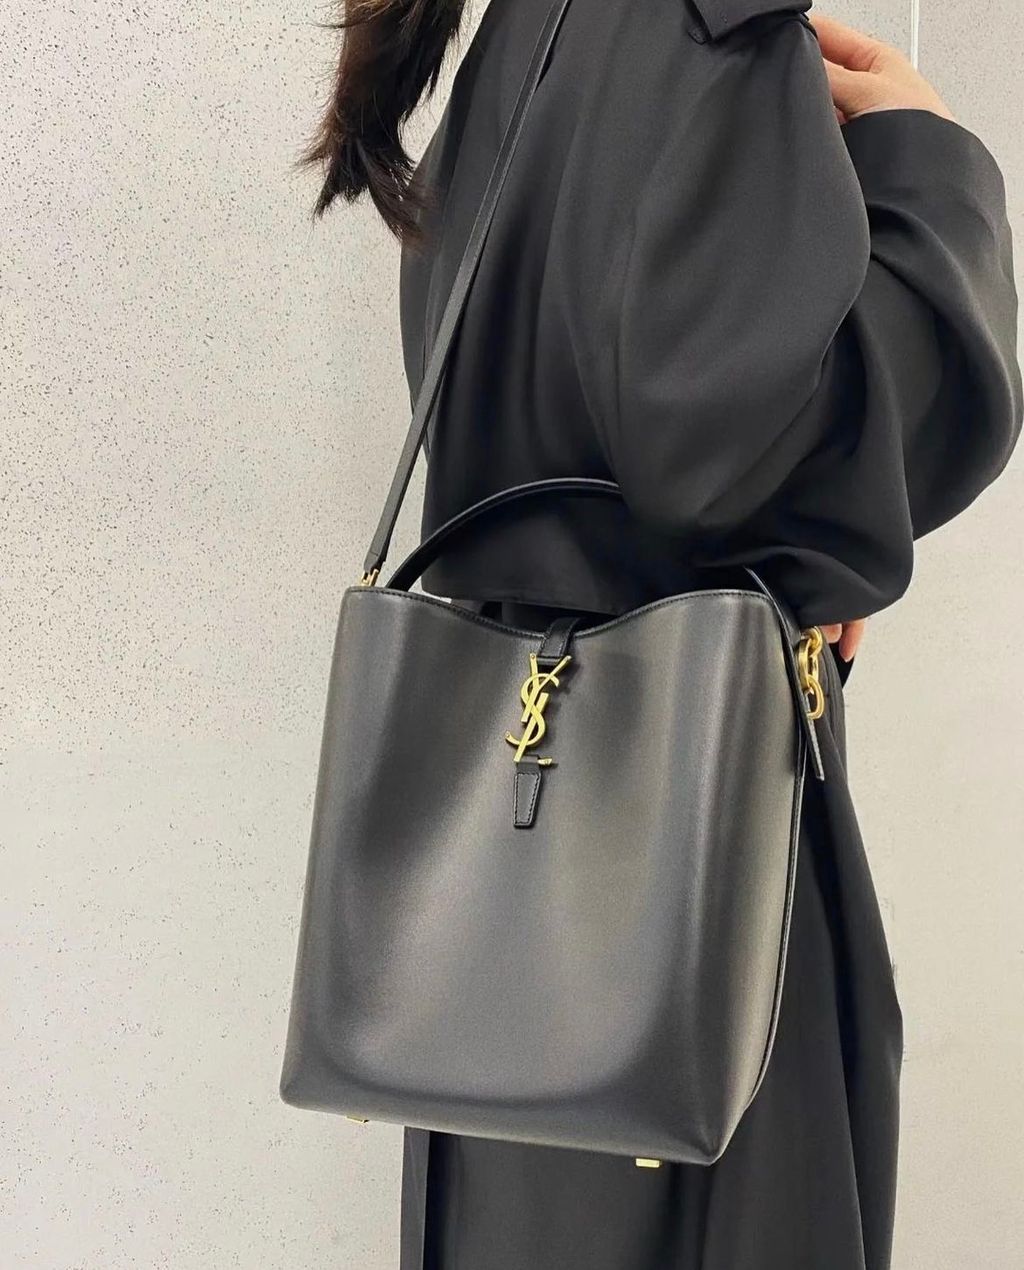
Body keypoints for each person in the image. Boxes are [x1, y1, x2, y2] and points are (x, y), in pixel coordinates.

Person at [300, 1, 1021, 1266]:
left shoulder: (530, 27)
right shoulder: (708, 25)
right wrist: (925, 163)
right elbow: (760, 466)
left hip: (503, 926)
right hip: (685, 885)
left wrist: (799, 532)